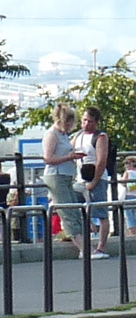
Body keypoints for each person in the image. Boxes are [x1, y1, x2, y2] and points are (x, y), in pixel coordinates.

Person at [41, 103, 86, 256]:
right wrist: (69, 157)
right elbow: (48, 158)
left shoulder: (63, 135)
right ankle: (83, 249)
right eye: (69, 122)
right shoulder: (52, 134)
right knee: (68, 212)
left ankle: (82, 244)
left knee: (75, 210)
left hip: (66, 175)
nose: (70, 126)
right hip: (56, 175)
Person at [74, 105, 113, 258]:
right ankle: (85, 245)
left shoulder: (100, 137)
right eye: (84, 120)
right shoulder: (79, 136)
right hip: (80, 178)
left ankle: (101, 247)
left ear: (96, 122)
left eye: (89, 121)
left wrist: (95, 181)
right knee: (77, 210)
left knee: (101, 213)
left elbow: (102, 160)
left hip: (96, 178)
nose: (86, 124)